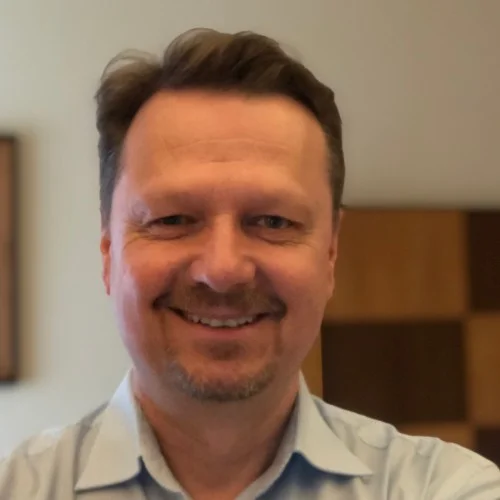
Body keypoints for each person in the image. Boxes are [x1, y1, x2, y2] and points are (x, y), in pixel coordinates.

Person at [1, 28, 499, 500]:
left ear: (330, 252)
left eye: (274, 221)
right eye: (172, 219)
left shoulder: (444, 487)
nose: (223, 270)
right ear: (109, 252)